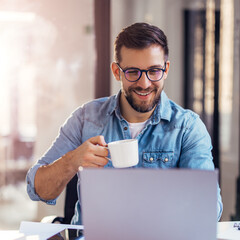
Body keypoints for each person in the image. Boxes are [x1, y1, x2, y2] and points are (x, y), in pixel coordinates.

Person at [26, 22, 223, 225]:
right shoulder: (85, 119)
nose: (144, 83)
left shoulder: (187, 128)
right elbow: (37, 189)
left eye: (154, 71)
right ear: (116, 71)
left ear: (166, 70)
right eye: (132, 72)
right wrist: (72, 161)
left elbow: (208, 209)